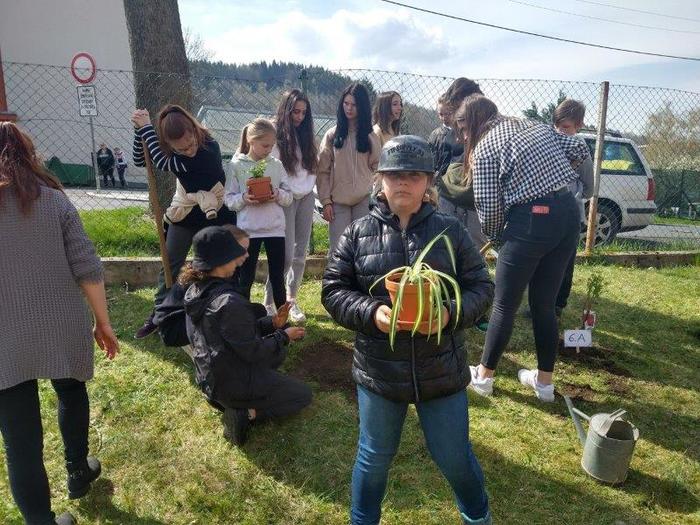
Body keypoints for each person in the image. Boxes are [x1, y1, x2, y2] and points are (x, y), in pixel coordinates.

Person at [322, 135, 493, 525]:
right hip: (380, 371)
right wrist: (373, 313)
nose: (403, 182)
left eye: (414, 175)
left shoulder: (451, 231)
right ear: (380, 179)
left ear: (428, 182)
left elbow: (482, 288)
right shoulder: (358, 233)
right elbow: (333, 290)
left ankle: (478, 517)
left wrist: (449, 313)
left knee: (454, 456)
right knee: (373, 456)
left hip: (441, 369)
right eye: (394, 174)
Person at [0, 122, 120, 525]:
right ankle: (78, 471)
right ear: (28, 155)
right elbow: (87, 265)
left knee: (20, 441)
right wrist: (102, 322)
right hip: (60, 322)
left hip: (3, 339)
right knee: (70, 390)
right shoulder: (54, 202)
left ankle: (40, 521)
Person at [456, 95, 591, 402]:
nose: (463, 137)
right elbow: (578, 148)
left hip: (530, 220)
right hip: (568, 214)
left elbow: (488, 207)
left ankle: (484, 377)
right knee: (544, 304)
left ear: (475, 122)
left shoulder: (485, 148)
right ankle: (544, 385)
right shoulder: (532, 125)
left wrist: (498, 238)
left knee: (504, 304)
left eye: (463, 129)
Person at [183, 226, 312, 446]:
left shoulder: (195, 290)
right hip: (229, 384)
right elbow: (253, 351)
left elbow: (233, 332)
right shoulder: (228, 302)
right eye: (234, 253)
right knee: (302, 395)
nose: (239, 259)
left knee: (277, 357)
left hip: (208, 379)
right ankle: (247, 413)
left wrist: (272, 323)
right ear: (222, 259)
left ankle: (225, 401)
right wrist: (284, 336)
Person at [131, 104, 236, 339]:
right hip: (186, 211)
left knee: (214, 265)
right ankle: (161, 314)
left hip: (214, 212)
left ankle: (218, 312)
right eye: (181, 148)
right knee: (170, 263)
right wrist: (139, 131)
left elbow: (161, 162)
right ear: (169, 144)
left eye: (190, 143)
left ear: (195, 131)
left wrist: (147, 128)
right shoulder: (173, 152)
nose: (189, 150)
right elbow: (141, 159)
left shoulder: (209, 149)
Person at [224, 117, 292, 310]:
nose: (269, 150)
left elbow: (289, 197)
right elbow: (228, 199)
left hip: (275, 229)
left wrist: (277, 194)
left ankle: (281, 319)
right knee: (246, 277)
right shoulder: (237, 165)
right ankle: (243, 317)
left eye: (272, 146)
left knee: (277, 277)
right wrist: (244, 198)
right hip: (248, 231)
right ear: (251, 140)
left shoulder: (276, 165)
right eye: (265, 145)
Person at [263, 89, 318, 323]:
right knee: (284, 255)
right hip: (284, 198)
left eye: (304, 113)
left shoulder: (307, 135)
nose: (299, 117)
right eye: (295, 111)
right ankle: (268, 301)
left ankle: (291, 300)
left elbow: (312, 166)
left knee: (300, 254)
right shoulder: (275, 132)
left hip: (306, 196)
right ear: (286, 110)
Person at [154, 225, 250, 348]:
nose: (247, 255)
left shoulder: (225, 271)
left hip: (188, 320)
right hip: (175, 330)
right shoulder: (207, 275)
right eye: (242, 249)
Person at [317, 82, 380, 253]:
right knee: (338, 250)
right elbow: (322, 171)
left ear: (362, 107)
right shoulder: (332, 135)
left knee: (363, 249)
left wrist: (375, 194)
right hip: (337, 203)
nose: (349, 108)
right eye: (346, 103)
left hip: (363, 200)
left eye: (354, 105)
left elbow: (378, 169)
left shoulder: (370, 136)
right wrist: (326, 201)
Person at [553, 99, 594, 317]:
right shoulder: (548, 143)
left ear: (579, 125)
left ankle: (558, 304)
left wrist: (576, 196)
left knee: (565, 262)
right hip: (547, 213)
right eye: (557, 126)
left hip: (570, 214)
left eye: (565, 127)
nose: (560, 131)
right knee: (544, 259)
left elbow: (589, 185)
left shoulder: (580, 147)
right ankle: (540, 302)